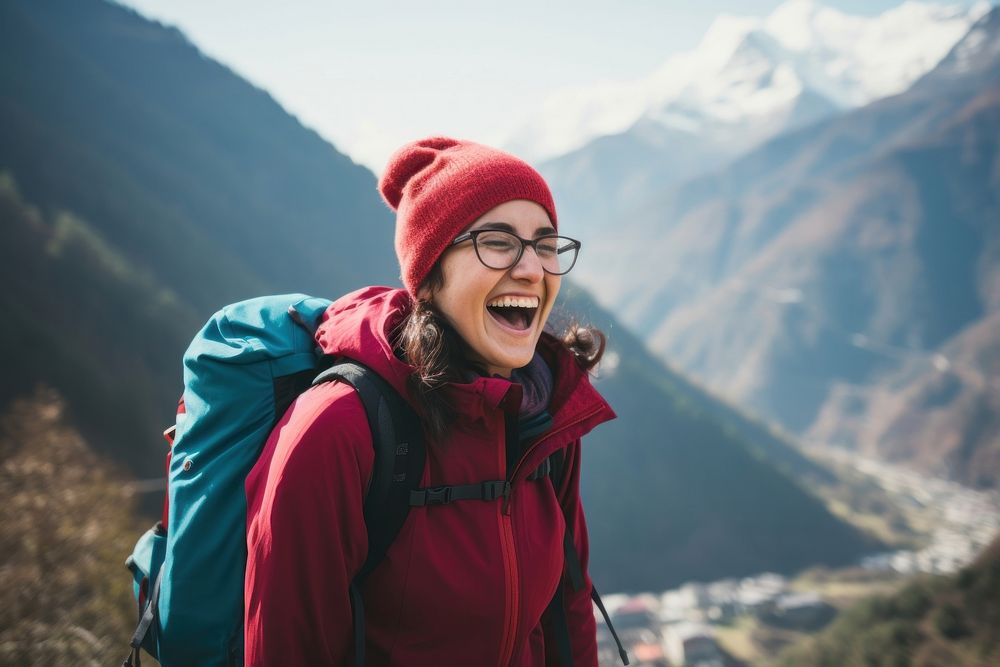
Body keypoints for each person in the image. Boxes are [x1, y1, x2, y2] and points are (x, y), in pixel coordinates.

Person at [243, 136, 616, 665]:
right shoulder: (338, 429)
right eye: (499, 241)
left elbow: (567, 612)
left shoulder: (543, 417)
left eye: (546, 244)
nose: (533, 268)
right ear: (431, 271)